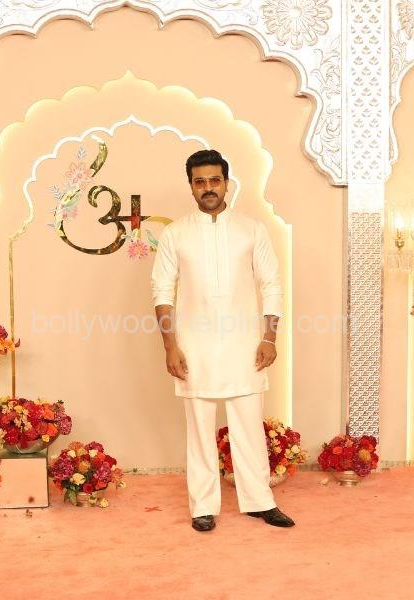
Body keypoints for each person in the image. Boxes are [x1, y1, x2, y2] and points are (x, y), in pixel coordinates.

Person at [151, 149, 295, 532]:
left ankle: (260, 501)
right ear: (191, 187)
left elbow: (272, 284)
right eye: (200, 182)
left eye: (215, 180)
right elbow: (162, 290)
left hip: (245, 345)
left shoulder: (252, 229)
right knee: (199, 430)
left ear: (227, 183)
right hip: (193, 347)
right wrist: (170, 346)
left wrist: (269, 338)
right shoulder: (175, 233)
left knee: (249, 426)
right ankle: (202, 506)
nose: (208, 188)